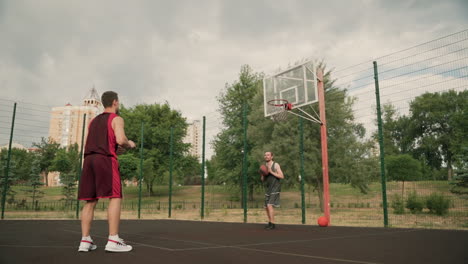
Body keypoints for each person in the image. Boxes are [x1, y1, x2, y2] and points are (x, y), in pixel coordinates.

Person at [77, 91, 136, 252]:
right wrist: (129, 144)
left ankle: (85, 240)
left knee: (90, 200)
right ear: (115, 102)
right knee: (115, 196)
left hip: (89, 160)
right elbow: (121, 139)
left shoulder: (93, 121)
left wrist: (115, 147)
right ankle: (113, 240)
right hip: (105, 160)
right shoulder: (117, 119)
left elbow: (92, 142)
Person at [260, 151, 284, 230]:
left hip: (275, 188)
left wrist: (271, 172)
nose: (266, 156)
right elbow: (262, 180)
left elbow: (281, 176)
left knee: (269, 205)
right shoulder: (264, 166)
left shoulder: (275, 165)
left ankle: (273, 224)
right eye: (265, 155)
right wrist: (263, 174)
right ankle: (270, 222)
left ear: (272, 156)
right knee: (266, 207)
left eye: (268, 155)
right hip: (268, 189)